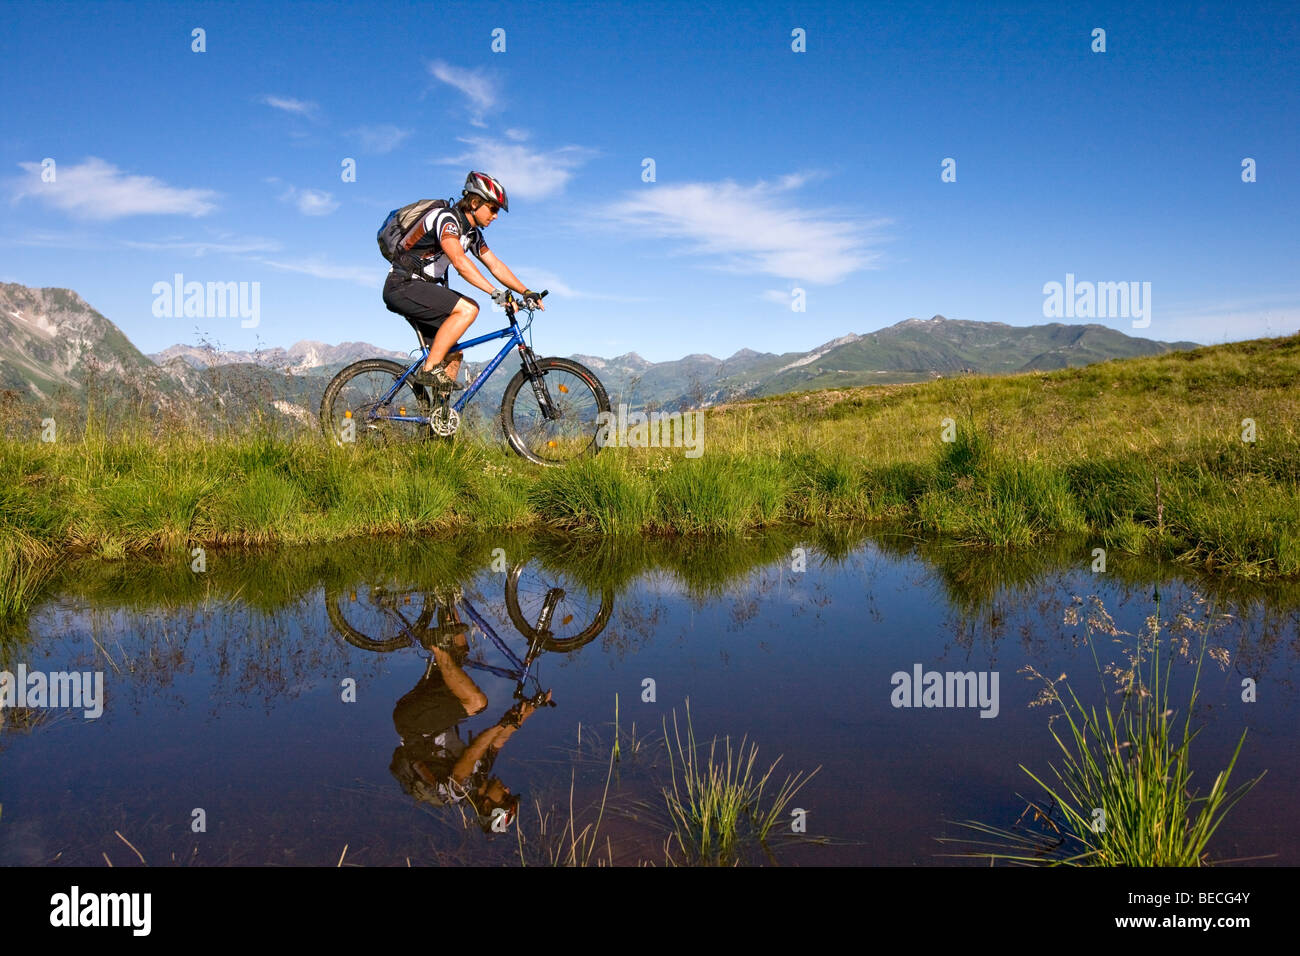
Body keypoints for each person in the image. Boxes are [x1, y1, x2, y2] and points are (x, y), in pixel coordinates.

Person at [382, 171, 545, 392]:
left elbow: (495, 265)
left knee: (453, 354)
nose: (496, 216)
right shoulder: (446, 220)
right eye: (493, 208)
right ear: (475, 202)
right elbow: (460, 263)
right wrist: (499, 295)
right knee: (469, 309)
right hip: (402, 285)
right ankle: (429, 369)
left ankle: (439, 421)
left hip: (421, 289)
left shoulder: (472, 235)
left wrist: (526, 291)